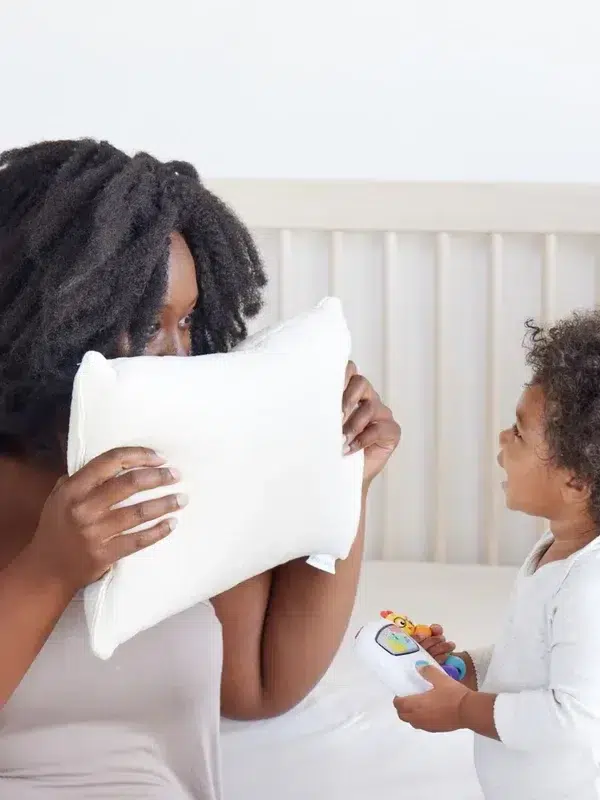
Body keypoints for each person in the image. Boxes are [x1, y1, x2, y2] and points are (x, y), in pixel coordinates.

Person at [0, 139, 401, 799]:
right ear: (50, 316)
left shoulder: (186, 465)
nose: (178, 358)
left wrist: (345, 484)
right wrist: (51, 569)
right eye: (144, 324)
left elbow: (261, 687)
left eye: (185, 323)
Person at [394, 311, 600, 799]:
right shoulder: (555, 551)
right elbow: (532, 660)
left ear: (576, 480)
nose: (503, 440)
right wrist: (467, 669)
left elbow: (572, 718)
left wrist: (463, 710)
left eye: (519, 433)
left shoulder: (589, 584)